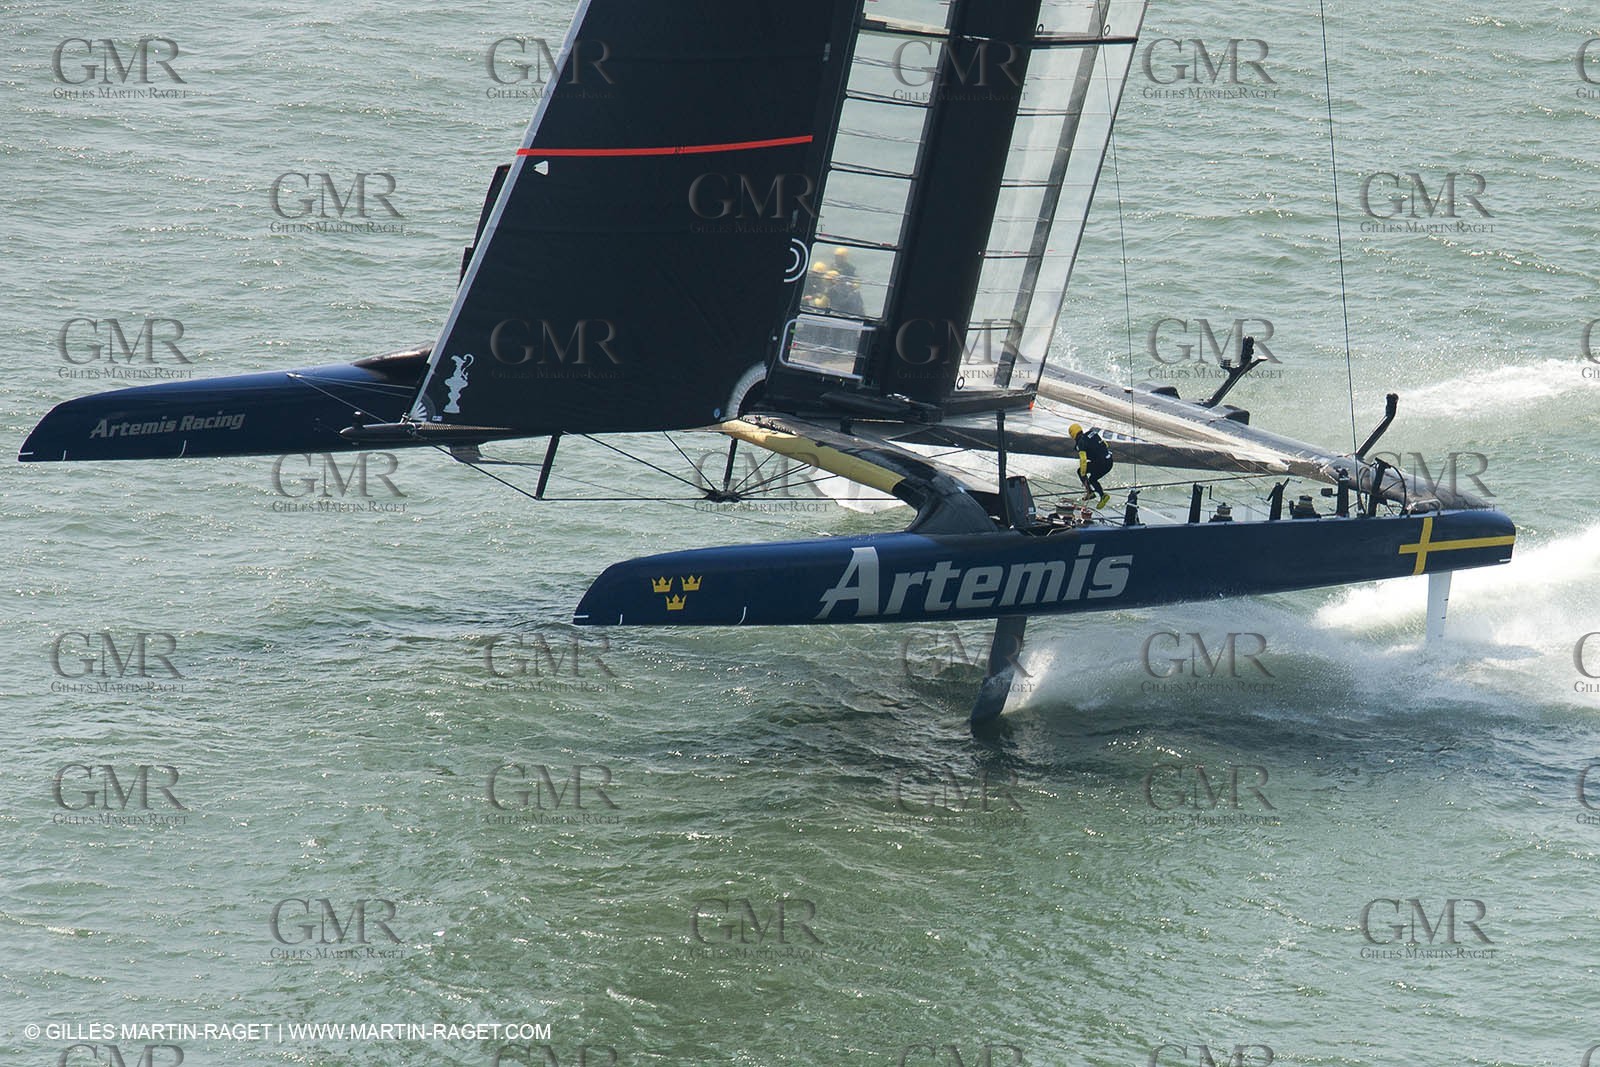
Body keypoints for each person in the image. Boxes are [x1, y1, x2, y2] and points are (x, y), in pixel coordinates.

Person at [1070, 422, 1113, 509]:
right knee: (1092, 479)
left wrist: (1083, 474)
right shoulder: (1092, 433)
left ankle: (1092, 493)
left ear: (1073, 435)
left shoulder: (1080, 443)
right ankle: (1099, 495)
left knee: (1082, 472)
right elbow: (1105, 444)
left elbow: (1083, 460)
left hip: (1102, 463)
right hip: (1109, 461)